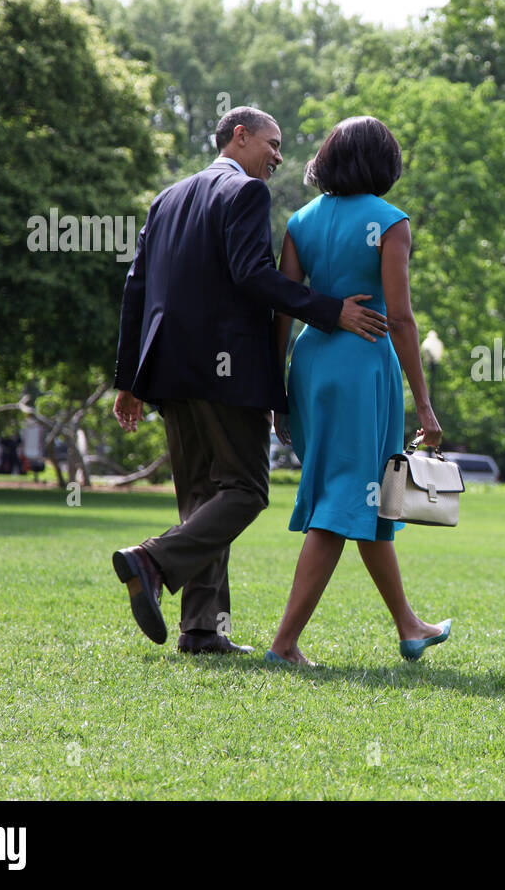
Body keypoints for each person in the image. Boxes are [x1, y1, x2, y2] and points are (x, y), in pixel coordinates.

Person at [110, 106, 388, 655]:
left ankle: (202, 629)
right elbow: (253, 276)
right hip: (226, 370)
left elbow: (135, 288)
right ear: (240, 137)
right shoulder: (244, 194)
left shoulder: (166, 199)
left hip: (167, 369)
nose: (280, 157)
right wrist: (331, 311)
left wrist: (128, 378)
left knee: (200, 497)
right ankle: (152, 560)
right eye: (273, 143)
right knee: (245, 489)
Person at [266, 115, 449, 666]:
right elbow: (401, 319)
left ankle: (409, 625)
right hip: (362, 368)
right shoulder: (391, 223)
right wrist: (425, 404)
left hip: (311, 365)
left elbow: (283, 307)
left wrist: (277, 390)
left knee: (367, 493)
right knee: (341, 500)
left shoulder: (300, 220)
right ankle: (284, 643)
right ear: (383, 164)